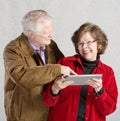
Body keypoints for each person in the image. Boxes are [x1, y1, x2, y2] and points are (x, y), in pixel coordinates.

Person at [3, 10, 76, 121]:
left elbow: (64, 66)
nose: (51, 35)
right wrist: (56, 69)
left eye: (51, 31)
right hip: (24, 114)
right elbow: (22, 77)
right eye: (46, 32)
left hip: (49, 110)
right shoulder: (12, 49)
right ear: (31, 34)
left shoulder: (50, 44)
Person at [42, 22, 118, 121]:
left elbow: (108, 110)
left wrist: (100, 91)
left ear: (99, 44)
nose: (84, 46)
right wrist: (55, 89)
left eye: (89, 42)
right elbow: (47, 102)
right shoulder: (64, 63)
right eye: (80, 43)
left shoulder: (108, 72)